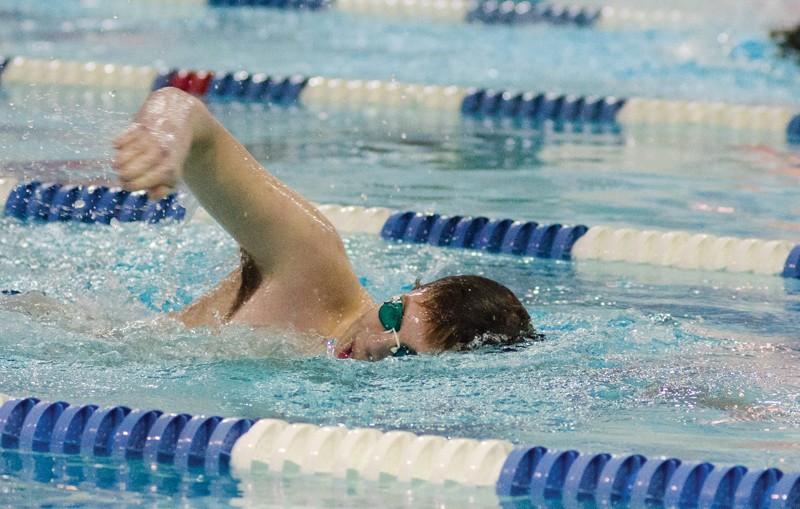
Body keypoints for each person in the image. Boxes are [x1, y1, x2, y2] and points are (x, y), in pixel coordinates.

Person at [112, 87, 540, 361]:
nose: (373, 344)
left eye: (402, 355)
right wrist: (163, 136)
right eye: (393, 315)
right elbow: (186, 110)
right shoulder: (313, 265)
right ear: (408, 291)